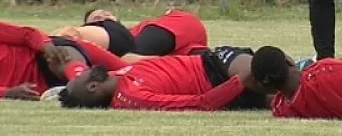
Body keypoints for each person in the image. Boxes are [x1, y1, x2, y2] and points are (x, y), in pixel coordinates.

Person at [0, 16, 129, 100]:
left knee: (129, 67)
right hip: (46, 82)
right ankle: (92, 83)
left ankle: (80, 84)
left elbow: (25, 34)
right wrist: (9, 92)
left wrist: (46, 47)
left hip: (49, 54)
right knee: (122, 78)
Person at [57, 45, 269, 111]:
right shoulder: (131, 97)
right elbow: (200, 103)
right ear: (93, 86)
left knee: (272, 72)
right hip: (215, 76)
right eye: (81, 76)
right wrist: (241, 80)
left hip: (211, 61)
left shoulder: (118, 75)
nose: (85, 69)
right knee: (269, 73)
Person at [52, 8, 208, 60]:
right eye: (96, 19)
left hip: (180, 26)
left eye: (106, 14)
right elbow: (71, 32)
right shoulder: (95, 38)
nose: (103, 17)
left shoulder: (141, 29)